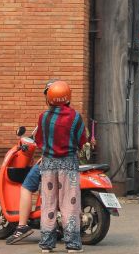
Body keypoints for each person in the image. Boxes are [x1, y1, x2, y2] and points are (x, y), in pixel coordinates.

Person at [35, 80, 87, 253]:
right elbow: (82, 140)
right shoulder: (76, 117)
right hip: (69, 165)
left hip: (48, 165)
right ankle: (72, 244)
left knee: (48, 202)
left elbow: (39, 140)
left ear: (50, 98)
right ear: (68, 96)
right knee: (69, 203)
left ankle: (47, 244)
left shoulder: (43, 117)